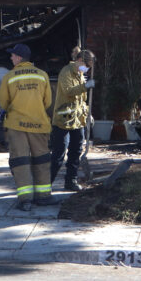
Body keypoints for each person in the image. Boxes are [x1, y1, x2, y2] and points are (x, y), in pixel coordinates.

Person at [0, 43, 59, 210]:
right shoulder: (42, 75)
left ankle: (25, 200)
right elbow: (47, 101)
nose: (11, 58)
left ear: (18, 57)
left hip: (16, 126)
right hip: (39, 124)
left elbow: (4, 101)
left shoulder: (9, 77)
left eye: (12, 55)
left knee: (20, 161)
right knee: (42, 160)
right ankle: (44, 197)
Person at [51, 47, 95, 191]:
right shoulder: (66, 72)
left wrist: (88, 114)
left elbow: (81, 100)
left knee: (76, 151)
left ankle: (71, 180)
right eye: (86, 66)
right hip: (63, 121)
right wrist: (85, 86)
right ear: (80, 60)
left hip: (77, 121)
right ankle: (45, 185)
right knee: (59, 153)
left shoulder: (80, 74)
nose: (87, 69)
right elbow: (69, 91)